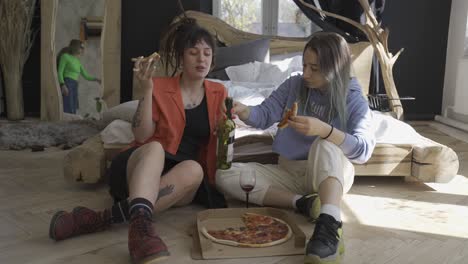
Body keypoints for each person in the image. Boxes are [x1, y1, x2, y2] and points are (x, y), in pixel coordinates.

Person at [49, 18, 227, 263]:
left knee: (194, 169)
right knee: (155, 147)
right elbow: (141, 136)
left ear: (213, 60)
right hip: (142, 166)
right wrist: (146, 91)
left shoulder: (219, 92)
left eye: (207, 53)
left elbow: (220, 135)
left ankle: (99, 219)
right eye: (193, 52)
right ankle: (141, 232)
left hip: (179, 178)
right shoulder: (160, 86)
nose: (201, 59)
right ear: (181, 58)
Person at [216, 32, 376, 264]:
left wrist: (325, 130)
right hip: (289, 172)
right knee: (224, 174)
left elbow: (363, 151)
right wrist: (245, 111)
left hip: (329, 174)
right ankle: (304, 203)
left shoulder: (353, 98)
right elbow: (264, 115)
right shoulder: (294, 84)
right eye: (304, 65)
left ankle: (329, 224)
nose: (307, 74)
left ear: (336, 67)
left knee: (325, 144)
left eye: (315, 68)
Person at [57, 39, 101, 114]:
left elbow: (86, 75)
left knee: (74, 105)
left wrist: (96, 79)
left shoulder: (77, 61)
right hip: (67, 83)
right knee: (68, 105)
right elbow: (60, 72)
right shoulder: (65, 56)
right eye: (81, 47)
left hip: (75, 84)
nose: (82, 50)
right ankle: (67, 123)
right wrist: (62, 85)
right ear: (75, 47)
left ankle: (72, 123)